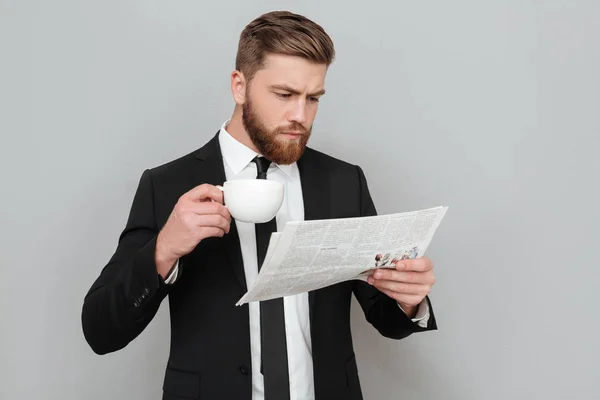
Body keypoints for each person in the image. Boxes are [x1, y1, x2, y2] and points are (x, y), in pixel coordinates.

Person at [81, 10, 438, 400]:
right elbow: (101, 331)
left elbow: (384, 315)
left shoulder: (343, 182)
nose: (300, 116)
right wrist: (164, 250)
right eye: (284, 95)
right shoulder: (167, 186)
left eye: (313, 98)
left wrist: (409, 299)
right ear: (240, 86)